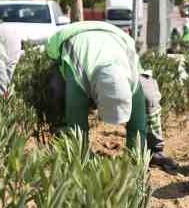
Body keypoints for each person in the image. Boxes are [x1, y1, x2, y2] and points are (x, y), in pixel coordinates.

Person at [39, 21, 174, 168]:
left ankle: (154, 150)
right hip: (70, 36)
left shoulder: (134, 82)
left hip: (116, 36)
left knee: (149, 95)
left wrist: (137, 160)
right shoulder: (79, 77)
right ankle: (63, 143)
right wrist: (82, 158)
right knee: (56, 91)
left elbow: (137, 126)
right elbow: (77, 122)